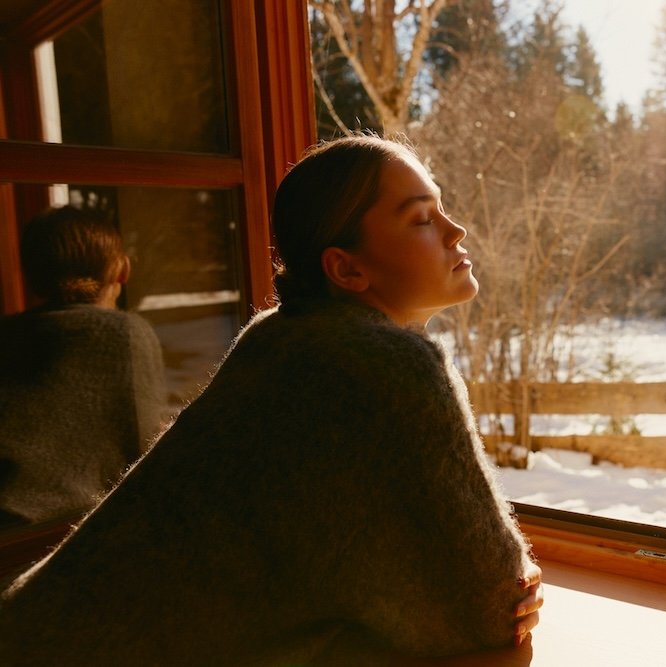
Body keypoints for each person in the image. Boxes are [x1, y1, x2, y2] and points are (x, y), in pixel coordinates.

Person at [0, 135, 543, 664]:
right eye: (422, 218)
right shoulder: (386, 366)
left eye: (441, 207)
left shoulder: (280, 338)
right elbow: (494, 606)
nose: (455, 229)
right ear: (347, 268)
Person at [0, 205, 165, 528]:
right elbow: (145, 461)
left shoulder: (7, 333)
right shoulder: (124, 334)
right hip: (74, 530)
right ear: (122, 270)